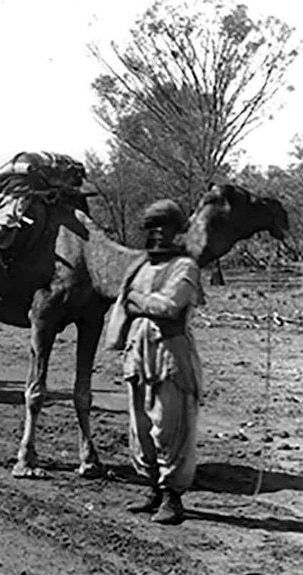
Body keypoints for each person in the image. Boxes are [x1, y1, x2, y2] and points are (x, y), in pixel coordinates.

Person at [106, 199, 204, 525]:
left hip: (170, 354)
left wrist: (137, 301)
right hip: (138, 353)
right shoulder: (141, 267)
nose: (159, 234)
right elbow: (131, 305)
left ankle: (173, 497)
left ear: (178, 231)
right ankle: (151, 487)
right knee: (141, 425)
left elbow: (171, 307)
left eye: (165, 227)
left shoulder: (185, 267)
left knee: (170, 425)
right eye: (153, 228)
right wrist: (138, 303)